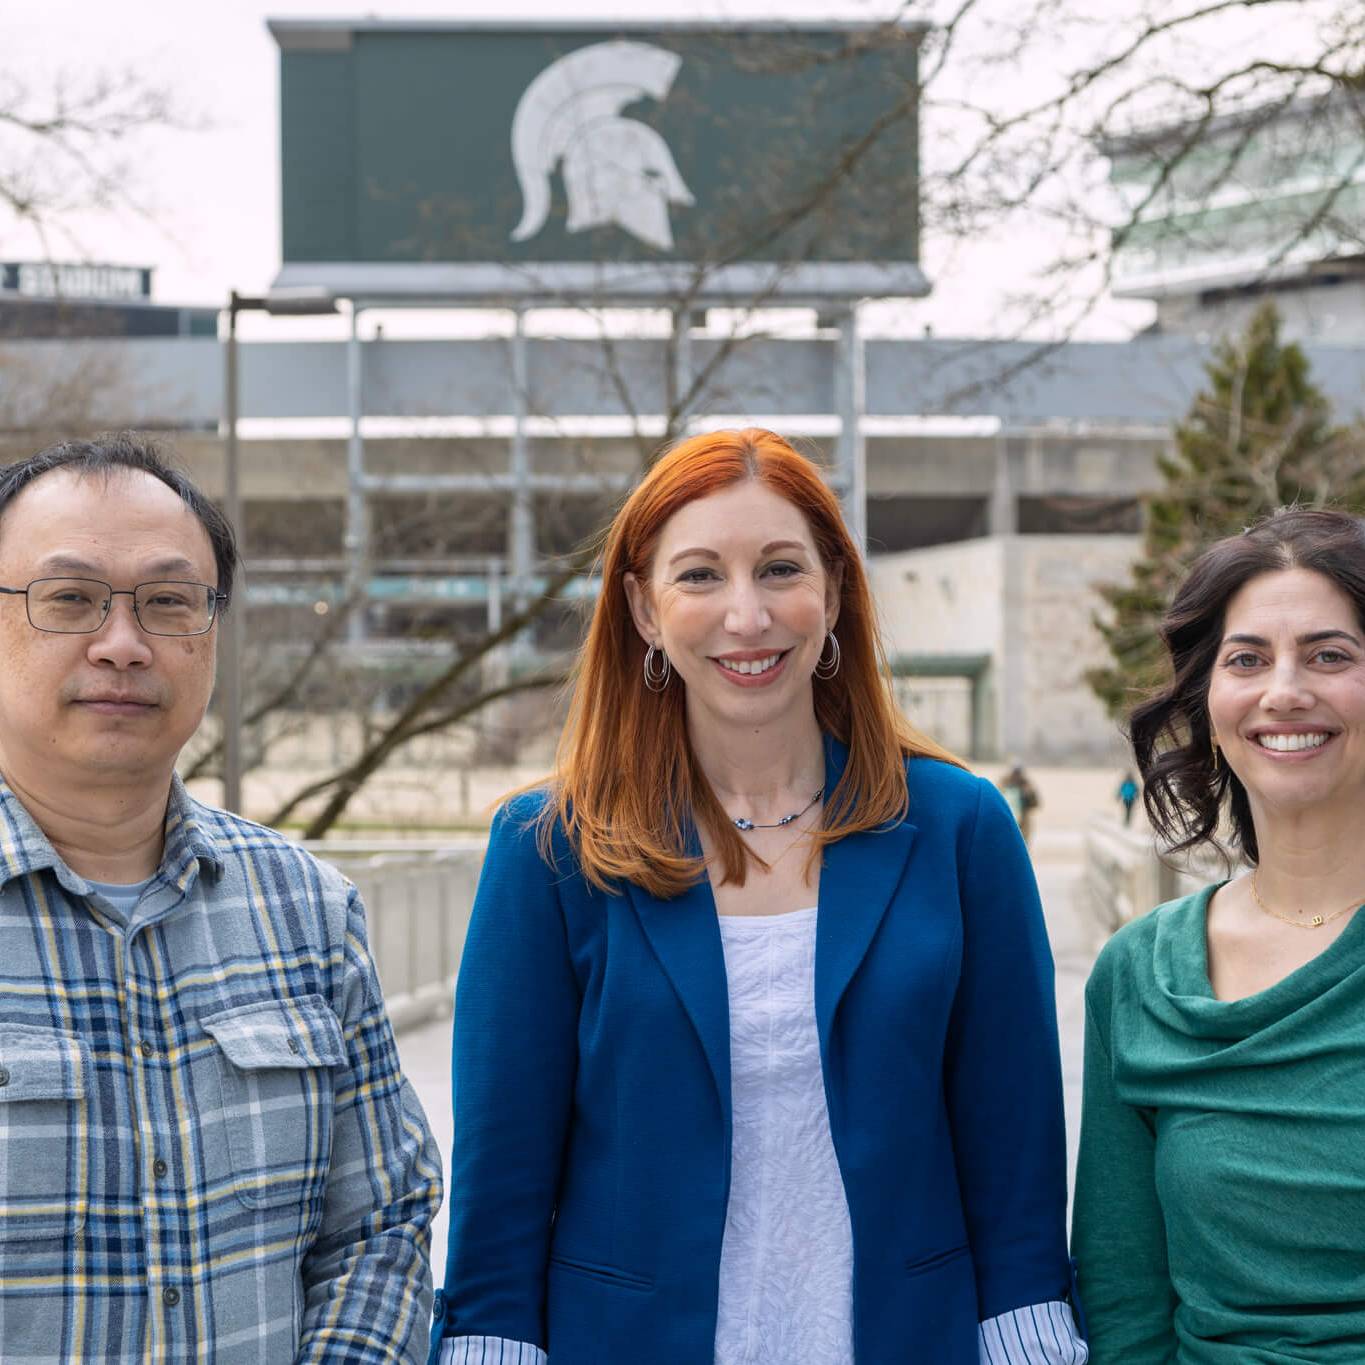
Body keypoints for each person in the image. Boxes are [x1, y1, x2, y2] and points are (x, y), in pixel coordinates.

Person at [431, 428, 1085, 1364]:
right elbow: (502, 1177)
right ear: (643, 610)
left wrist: (1030, 1339)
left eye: (780, 569)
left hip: (905, 1339)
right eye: (698, 576)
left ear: (833, 592)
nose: (747, 615)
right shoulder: (549, 850)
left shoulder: (960, 828)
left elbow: (1014, 1152)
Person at [0, 435, 442, 1363]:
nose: (122, 644)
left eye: (169, 602)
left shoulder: (307, 907)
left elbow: (381, 1222)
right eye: (69, 597)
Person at [1072, 506, 1365, 1362]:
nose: (1284, 691)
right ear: (1206, 698)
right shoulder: (1138, 973)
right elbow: (1125, 1298)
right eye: (1247, 659)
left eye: (1329, 655)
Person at [998, 759, 1041, 844]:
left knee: (1023, 845)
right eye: (1015, 772)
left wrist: (1029, 795)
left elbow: (1036, 804)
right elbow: (996, 801)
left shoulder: (1026, 784)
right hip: (1006, 820)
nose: (1016, 775)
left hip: (1023, 823)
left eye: (1018, 773)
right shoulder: (1004, 782)